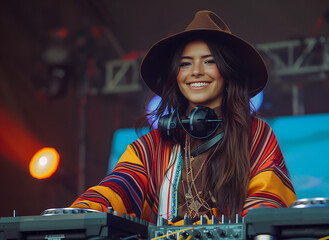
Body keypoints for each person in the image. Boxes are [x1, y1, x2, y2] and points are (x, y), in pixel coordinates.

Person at [70, 10, 296, 224]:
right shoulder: (152, 145)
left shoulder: (256, 134)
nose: (196, 71)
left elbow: (268, 200)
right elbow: (119, 186)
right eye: (185, 63)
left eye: (209, 61)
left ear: (228, 71)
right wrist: (79, 211)